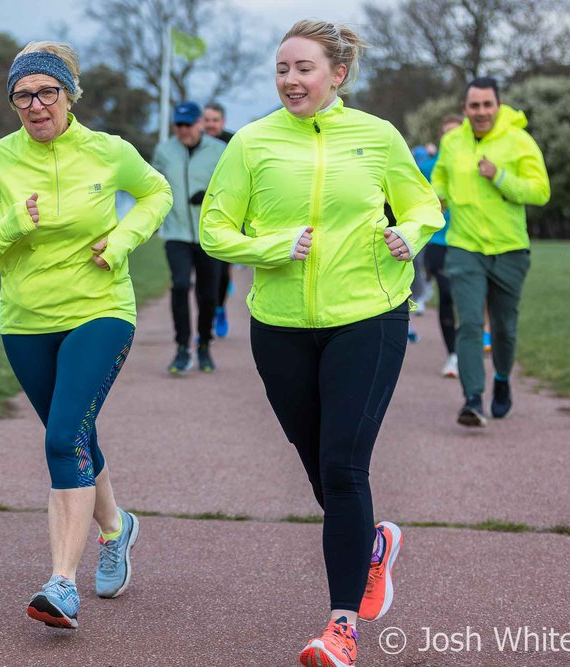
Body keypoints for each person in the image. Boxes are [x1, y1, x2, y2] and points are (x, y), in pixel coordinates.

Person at [200, 20, 444, 667]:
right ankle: (371, 546)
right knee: (317, 463)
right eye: (282, 68)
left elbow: (425, 207)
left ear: (337, 75)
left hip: (369, 314)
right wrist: (270, 248)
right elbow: (214, 230)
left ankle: (340, 628)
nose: (290, 80)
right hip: (278, 325)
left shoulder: (377, 137)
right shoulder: (251, 144)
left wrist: (409, 236)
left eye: (303, 68)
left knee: (342, 466)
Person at [0, 40, 171, 630]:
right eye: (22, 95)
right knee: (73, 434)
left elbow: (157, 193)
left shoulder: (109, 151)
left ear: (68, 95)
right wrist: (12, 224)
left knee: (61, 438)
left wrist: (123, 241)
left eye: (47, 91)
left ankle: (60, 583)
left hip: (100, 309)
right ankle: (116, 528)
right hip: (25, 321)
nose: (35, 104)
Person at [431, 77, 550, 427]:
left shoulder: (519, 141)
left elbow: (540, 191)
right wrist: (436, 196)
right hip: (465, 246)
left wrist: (499, 177)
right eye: (474, 106)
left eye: (487, 105)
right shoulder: (452, 142)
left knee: (504, 328)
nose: (480, 112)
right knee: (468, 322)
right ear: (465, 109)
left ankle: (501, 380)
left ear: (498, 106)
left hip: (510, 249)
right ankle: (472, 399)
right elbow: (439, 178)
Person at [152, 101, 226, 373]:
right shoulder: (164, 150)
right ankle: (182, 348)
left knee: (208, 296)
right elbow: (154, 184)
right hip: (176, 232)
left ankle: (204, 346)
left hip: (209, 233)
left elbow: (230, 187)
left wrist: (208, 195)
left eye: (188, 124)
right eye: (178, 125)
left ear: (199, 124)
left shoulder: (218, 151)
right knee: (181, 285)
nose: (183, 130)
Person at [417, 114, 465, 378]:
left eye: (455, 133)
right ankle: (453, 355)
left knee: (467, 299)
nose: (450, 139)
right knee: (447, 295)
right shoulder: (430, 167)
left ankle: (470, 344)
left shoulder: (473, 164)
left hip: (468, 241)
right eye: (445, 134)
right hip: (438, 241)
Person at [202, 102, 236, 338]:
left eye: (215, 120)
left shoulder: (232, 143)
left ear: (222, 122)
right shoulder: (196, 142)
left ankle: (220, 308)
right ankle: (206, 315)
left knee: (222, 270)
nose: (211, 124)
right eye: (207, 120)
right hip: (202, 212)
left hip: (230, 211)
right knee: (205, 270)